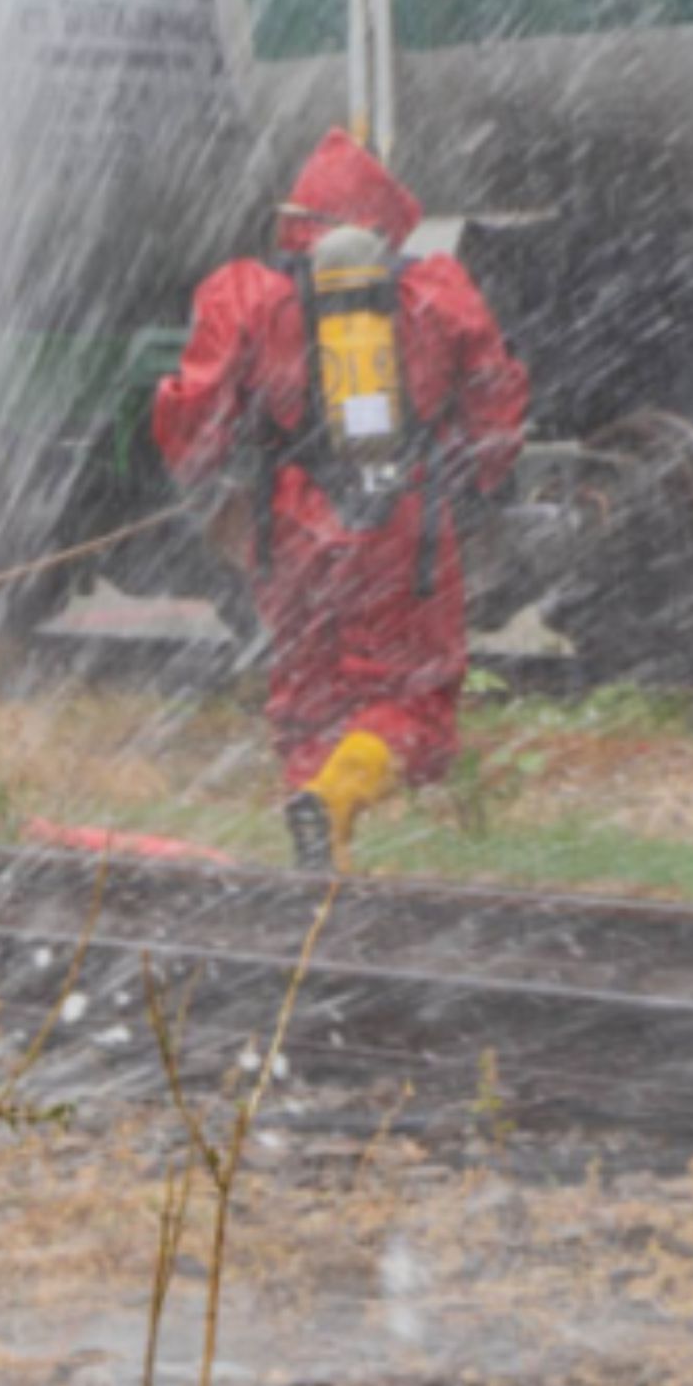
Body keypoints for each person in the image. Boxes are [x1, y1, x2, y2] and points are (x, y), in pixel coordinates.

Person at [153, 129, 528, 872]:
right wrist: (482, 479)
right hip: (402, 519)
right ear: (385, 222)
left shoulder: (243, 291)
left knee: (305, 702)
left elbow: (193, 413)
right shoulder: (437, 289)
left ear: (301, 213)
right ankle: (336, 801)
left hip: (289, 522)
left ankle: (317, 868)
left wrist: (211, 487)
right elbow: (495, 398)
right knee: (414, 702)